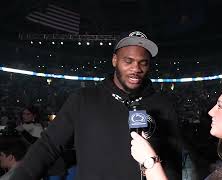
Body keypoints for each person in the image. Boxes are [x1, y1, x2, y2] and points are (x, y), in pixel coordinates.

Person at [10, 31, 181, 180]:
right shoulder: (83, 99)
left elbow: (172, 160)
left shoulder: (162, 105)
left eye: (143, 62)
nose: (136, 68)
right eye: (128, 61)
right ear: (115, 60)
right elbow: (48, 146)